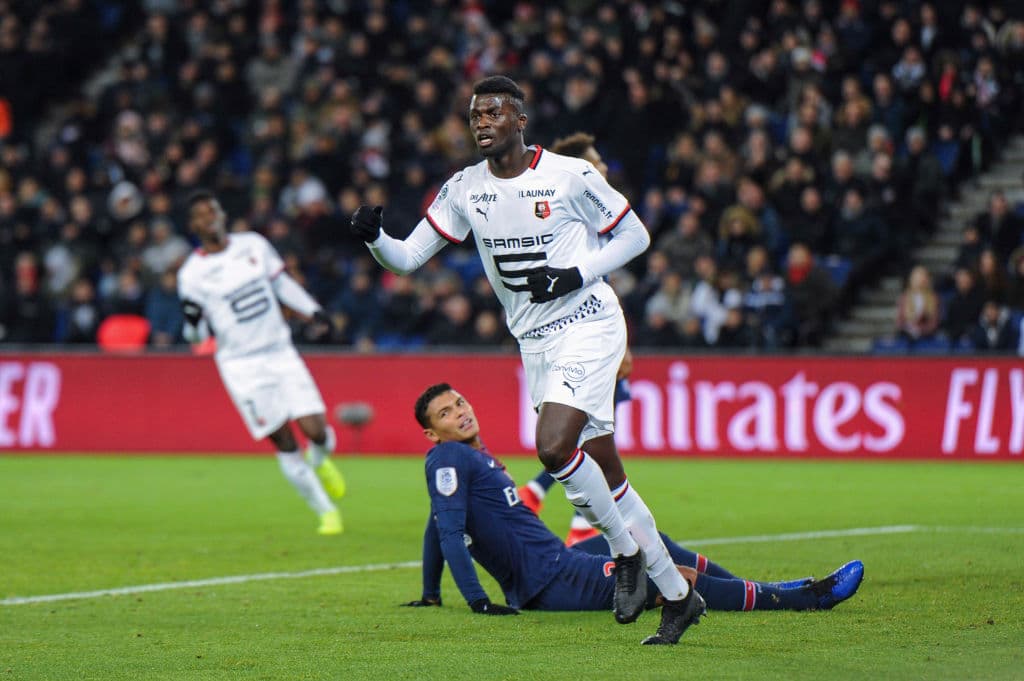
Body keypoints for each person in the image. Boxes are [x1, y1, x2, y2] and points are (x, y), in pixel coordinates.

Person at [349, 76, 702, 644]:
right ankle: (679, 596)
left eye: (493, 112)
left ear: (519, 120)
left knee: (553, 446)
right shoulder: (465, 188)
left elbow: (635, 236)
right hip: (536, 342)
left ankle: (627, 556)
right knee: (601, 477)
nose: (482, 123)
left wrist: (575, 272)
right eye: (474, 116)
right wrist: (375, 240)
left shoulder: (568, 174)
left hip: (589, 320)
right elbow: (408, 257)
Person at [406, 383, 864, 627]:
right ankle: (808, 597)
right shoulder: (448, 457)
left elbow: (434, 524)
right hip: (550, 582)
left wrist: (431, 592)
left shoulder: (471, 458)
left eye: (460, 402)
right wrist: (477, 603)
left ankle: (762, 587)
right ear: (432, 433)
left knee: (651, 541)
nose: (460, 412)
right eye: (445, 413)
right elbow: (447, 534)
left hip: (557, 561)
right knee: (668, 579)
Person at [177, 190, 347, 535]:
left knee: (316, 429)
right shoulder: (192, 275)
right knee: (284, 440)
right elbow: (195, 338)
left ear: (222, 214)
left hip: (280, 352)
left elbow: (281, 284)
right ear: (193, 225)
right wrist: (192, 322)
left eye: (213, 209)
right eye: (201, 214)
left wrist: (312, 310)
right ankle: (326, 511)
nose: (210, 216)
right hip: (241, 366)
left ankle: (319, 458)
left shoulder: (252, 245)